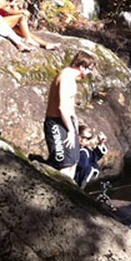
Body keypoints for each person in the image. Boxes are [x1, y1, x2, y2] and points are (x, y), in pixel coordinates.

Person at [44, 51, 96, 179]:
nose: (89, 73)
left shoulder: (71, 78)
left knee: (73, 162)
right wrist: (71, 131)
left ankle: (69, 193)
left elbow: (69, 106)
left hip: (67, 122)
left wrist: (75, 122)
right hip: (57, 123)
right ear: (82, 66)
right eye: (89, 69)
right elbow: (62, 107)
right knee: (64, 164)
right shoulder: (66, 77)